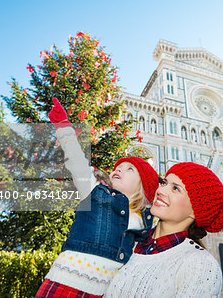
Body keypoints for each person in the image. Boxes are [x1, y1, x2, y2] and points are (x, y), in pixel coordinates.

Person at [35, 98, 159, 297]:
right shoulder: (95, 192)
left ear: (143, 188)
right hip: (64, 283)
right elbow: (76, 160)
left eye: (129, 169)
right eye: (118, 167)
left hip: (103, 293)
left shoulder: (145, 222)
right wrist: (63, 126)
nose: (119, 169)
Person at [104, 162, 223, 298]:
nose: (160, 191)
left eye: (176, 189)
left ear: (196, 211)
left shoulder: (201, 265)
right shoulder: (129, 239)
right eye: (164, 183)